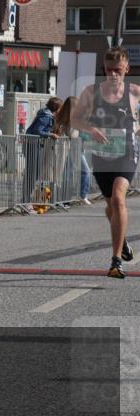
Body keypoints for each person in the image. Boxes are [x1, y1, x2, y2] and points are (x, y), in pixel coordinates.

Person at [71, 47, 140, 279]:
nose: (112, 75)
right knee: (110, 206)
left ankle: (116, 261)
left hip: (126, 153)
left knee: (119, 199)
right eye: (109, 70)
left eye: (118, 71)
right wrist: (91, 129)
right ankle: (124, 243)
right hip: (101, 154)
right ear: (104, 69)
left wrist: (137, 127)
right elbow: (75, 118)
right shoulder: (91, 92)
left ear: (127, 69)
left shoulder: (135, 92)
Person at [53, 96, 93, 205]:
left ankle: (75, 197)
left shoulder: (72, 118)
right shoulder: (65, 119)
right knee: (70, 174)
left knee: (72, 173)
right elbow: (69, 134)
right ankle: (72, 198)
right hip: (69, 148)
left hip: (74, 148)